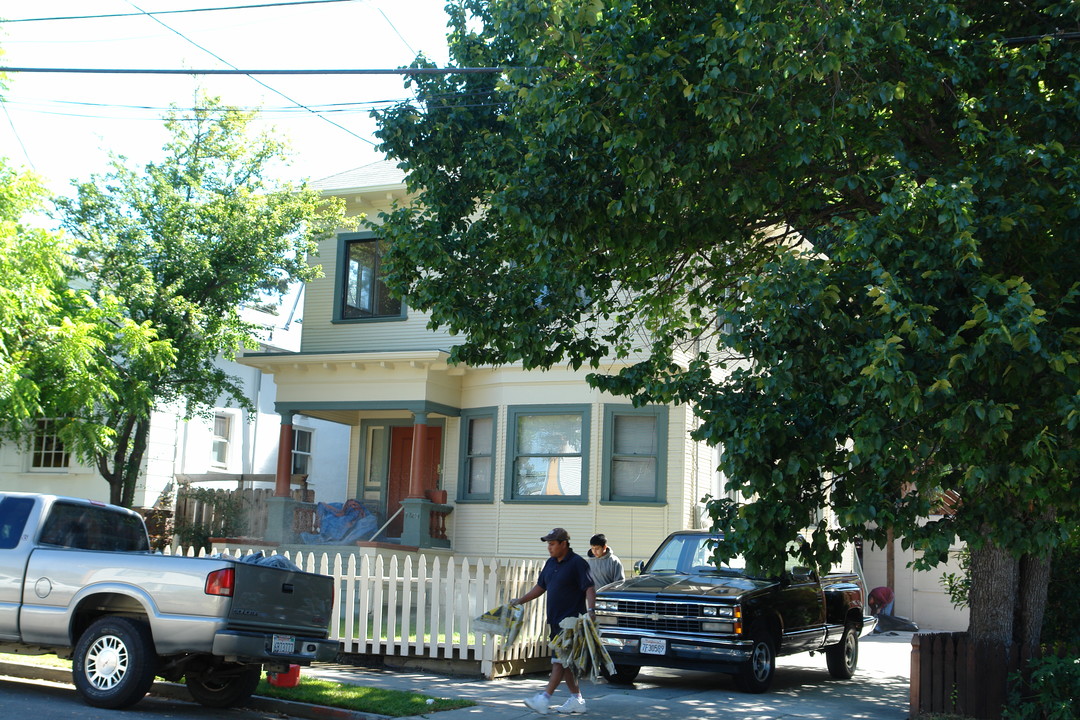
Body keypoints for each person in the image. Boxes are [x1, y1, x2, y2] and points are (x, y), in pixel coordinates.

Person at [511, 528, 595, 715]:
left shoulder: (577, 563)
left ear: (563, 543)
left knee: (559, 661)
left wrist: (591, 610)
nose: (549, 547)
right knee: (564, 663)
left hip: (571, 623)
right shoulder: (550, 563)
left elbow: (589, 587)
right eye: (548, 544)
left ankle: (544, 698)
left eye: (552, 544)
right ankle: (577, 700)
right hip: (555, 621)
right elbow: (540, 587)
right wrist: (519, 600)